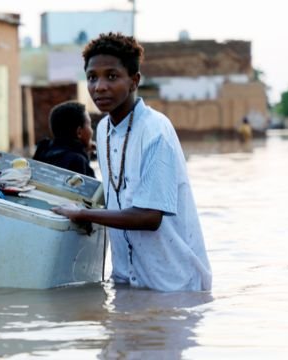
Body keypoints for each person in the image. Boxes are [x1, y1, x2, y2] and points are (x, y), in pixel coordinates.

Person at [52, 32, 212, 292]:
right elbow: (120, 199)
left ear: (134, 80)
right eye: (92, 77)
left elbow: (150, 216)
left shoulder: (155, 131)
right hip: (126, 281)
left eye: (111, 76)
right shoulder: (102, 130)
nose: (99, 86)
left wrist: (83, 214)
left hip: (173, 285)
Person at [33, 101, 95, 177]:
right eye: (89, 125)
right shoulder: (77, 161)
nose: (92, 131)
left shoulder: (42, 151)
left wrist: (85, 152)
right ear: (79, 132)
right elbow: (90, 186)